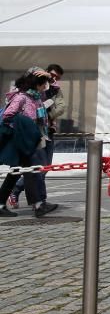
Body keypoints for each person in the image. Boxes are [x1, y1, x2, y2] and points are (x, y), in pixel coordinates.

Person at [0, 69, 59, 217]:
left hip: (34, 139)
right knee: (33, 171)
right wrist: (25, 127)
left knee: (16, 172)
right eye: (43, 83)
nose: (45, 85)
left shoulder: (36, 97)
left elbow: (53, 90)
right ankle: (38, 205)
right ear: (36, 84)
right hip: (25, 141)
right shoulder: (21, 97)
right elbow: (8, 115)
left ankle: (1, 204)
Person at [10, 64, 66, 210]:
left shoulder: (47, 90)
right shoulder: (24, 94)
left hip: (46, 132)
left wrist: (48, 115)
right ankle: (36, 202)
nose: (54, 79)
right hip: (31, 136)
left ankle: (38, 201)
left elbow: (61, 106)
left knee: (42, 167)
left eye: (57, 78)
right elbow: (10, 114)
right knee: (33, 168)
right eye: (52, 75)